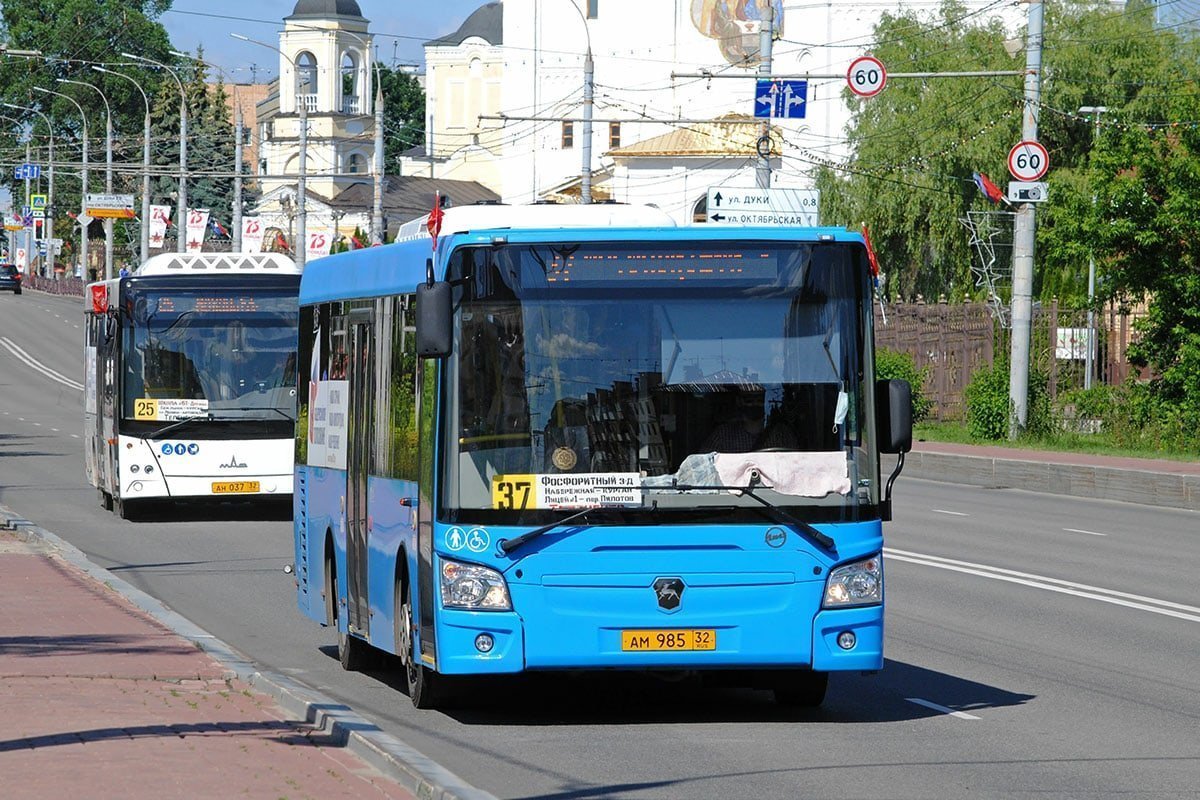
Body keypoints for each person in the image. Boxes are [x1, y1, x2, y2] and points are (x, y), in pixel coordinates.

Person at [701, 390, 798, 453]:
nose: (754, 404)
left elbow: (796, 464)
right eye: (749, 400)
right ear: (739, 401)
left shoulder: (782, 434)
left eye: (759, 399)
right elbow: (704, 465)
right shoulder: (722, 435)